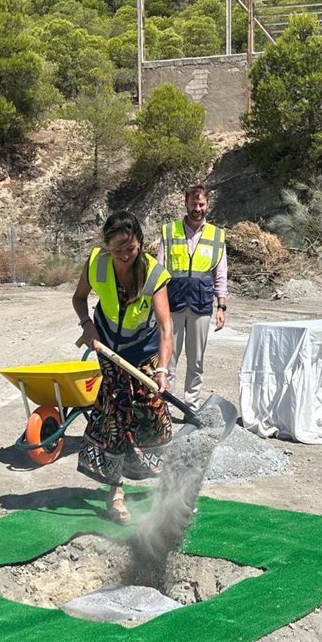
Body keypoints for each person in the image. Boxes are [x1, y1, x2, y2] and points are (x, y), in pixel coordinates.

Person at [72, 211, 173, 523]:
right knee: (115, 415)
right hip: (108, 348)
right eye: (117, 249)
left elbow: (165, 326)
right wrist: (87, 325)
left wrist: (162, 370)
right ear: (107, 246)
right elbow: (79, 299)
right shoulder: (97, 264)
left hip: (143, 350)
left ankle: (168, 488)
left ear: (140, 242)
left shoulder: (153, 273)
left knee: (153, 412)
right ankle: (115, 494)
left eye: (130, 248)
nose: (125, 255)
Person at [158, 183, 227, 407]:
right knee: (169, 358)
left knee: (196, 360)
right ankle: (166, 404)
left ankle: (192, 405)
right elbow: (159, 270)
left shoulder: (217, 235)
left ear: (207, 204)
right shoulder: (170, 232)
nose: (197, 208)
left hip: (201, 304)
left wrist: (221, 306)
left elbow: (221, 274)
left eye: (201, 204)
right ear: (186, 203)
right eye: (193, 204)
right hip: (173, 303)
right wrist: (156, 304)